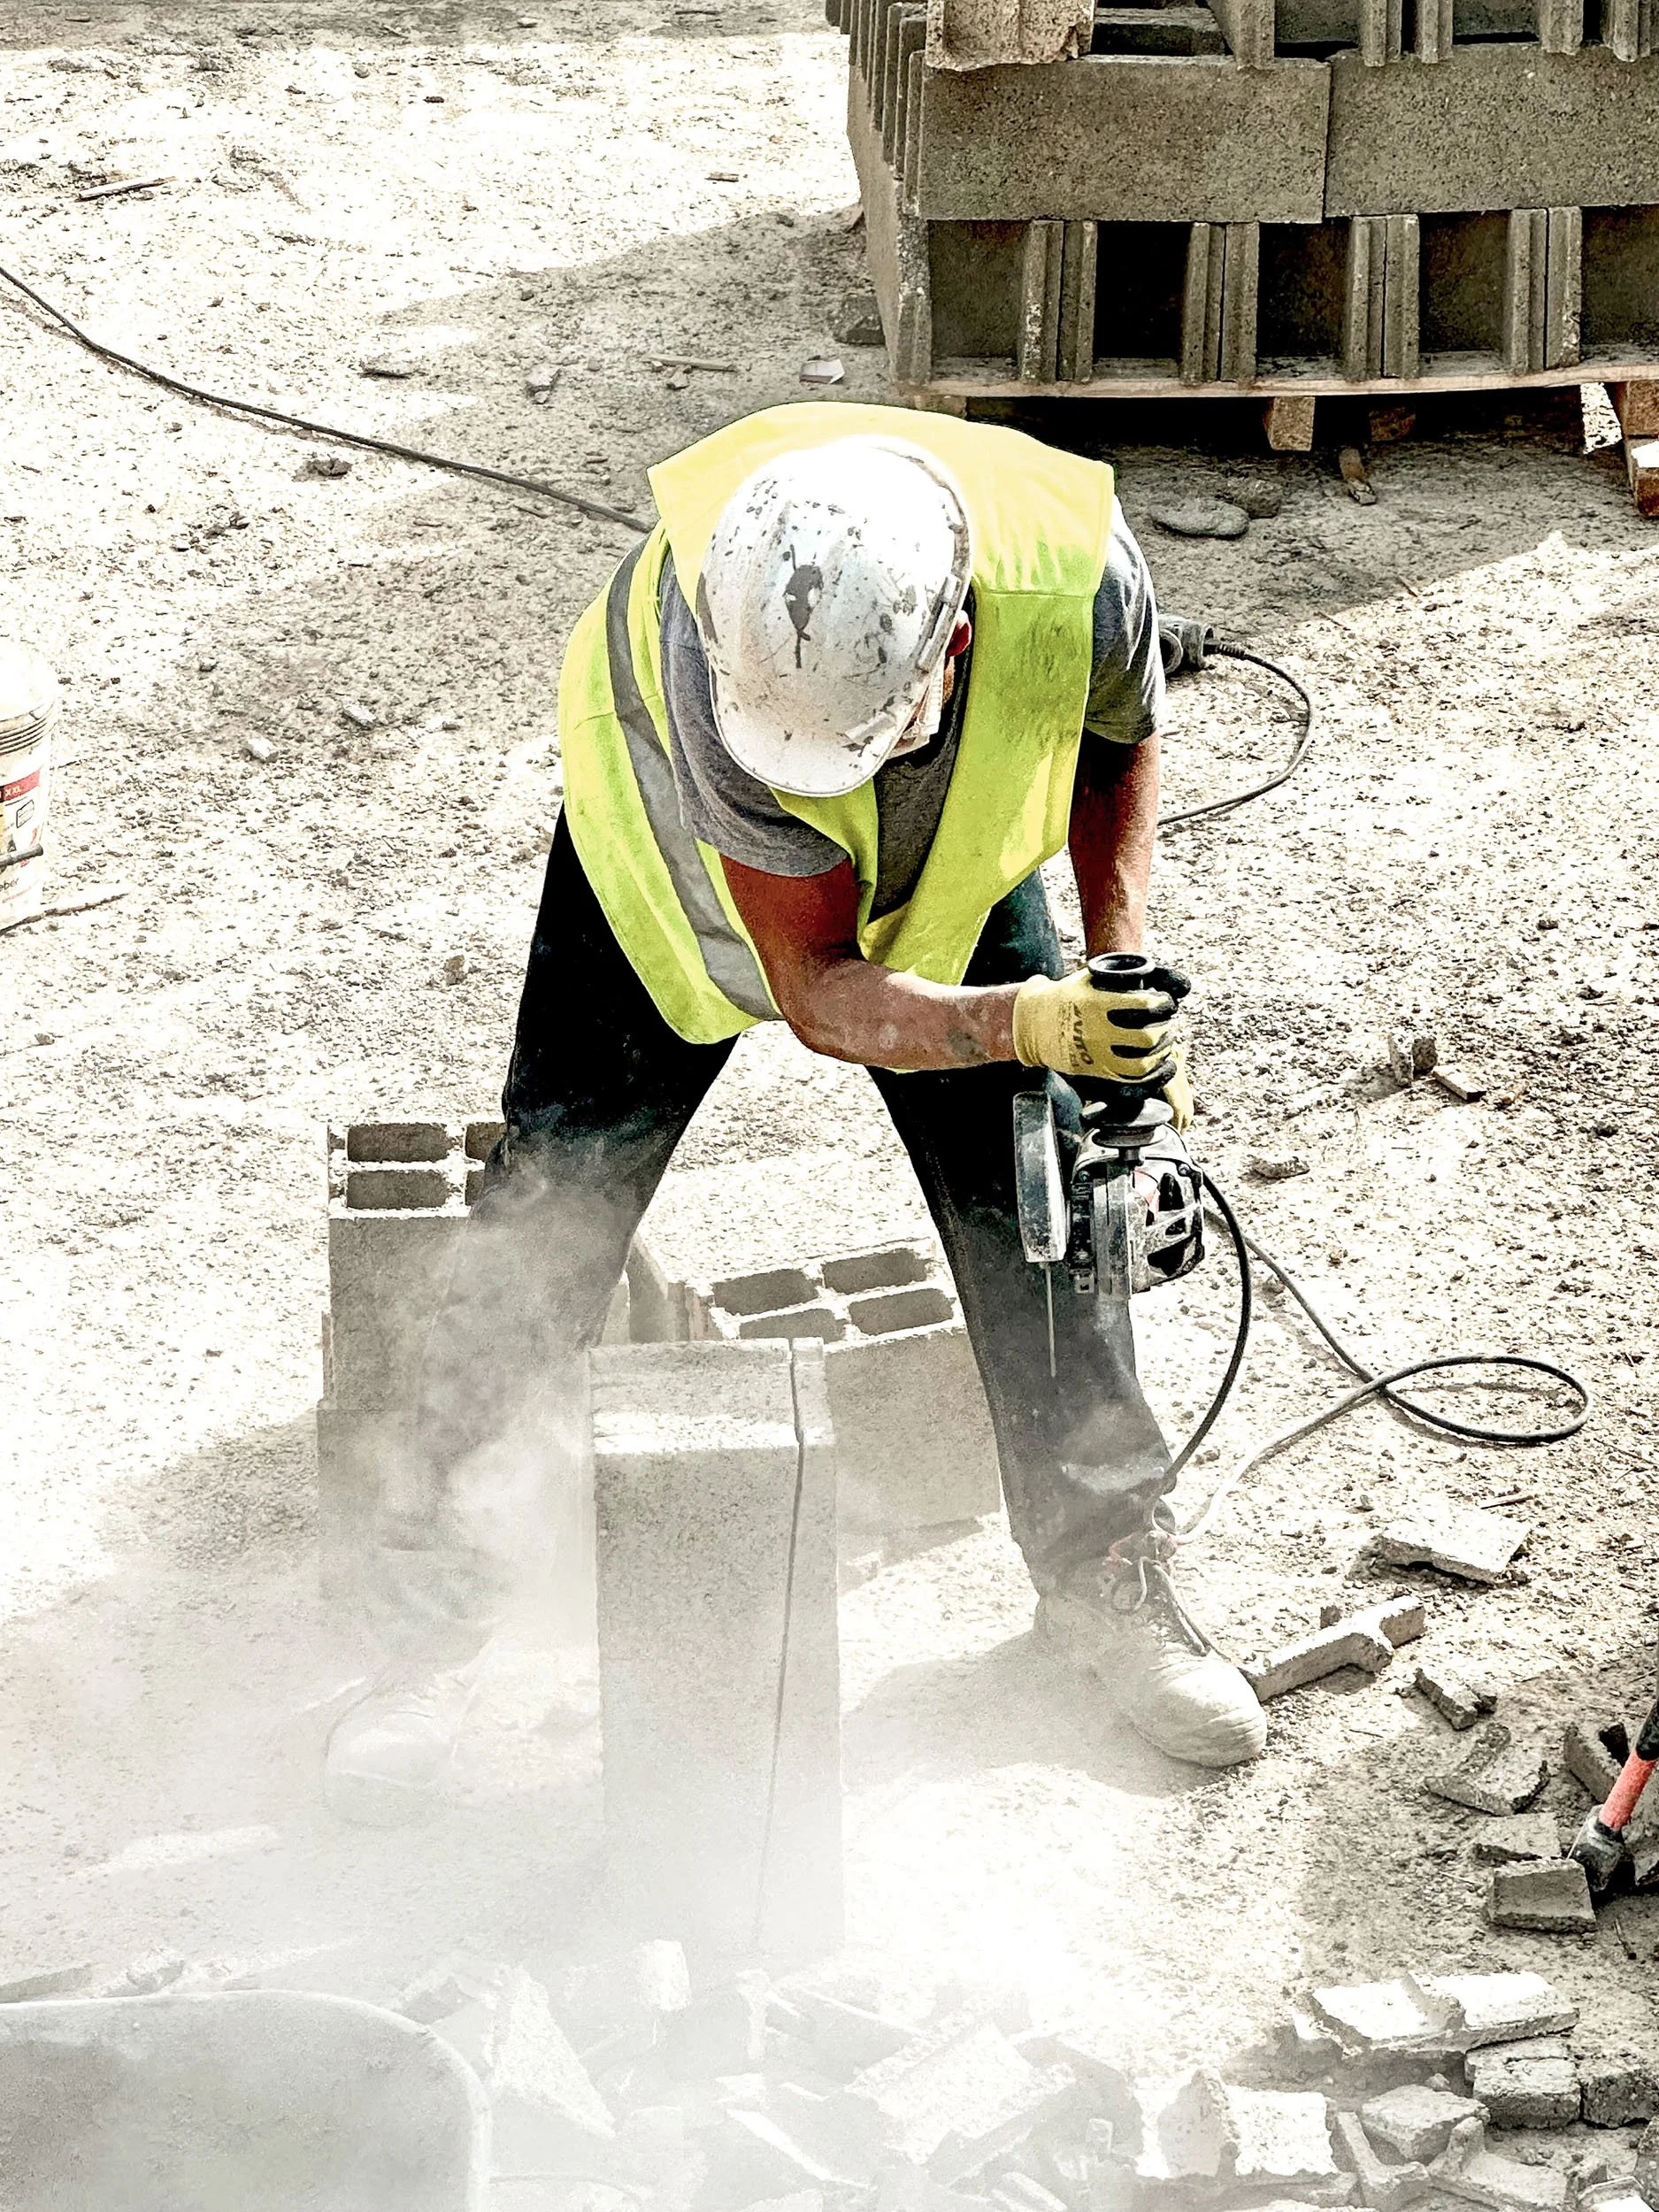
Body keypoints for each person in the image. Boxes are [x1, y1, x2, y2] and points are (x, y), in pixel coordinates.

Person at [324, 403, 1266, 1826]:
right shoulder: (723, 667)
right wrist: (1025, 1020)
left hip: (942, 867)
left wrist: (1111, 965)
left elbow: (1113, 735)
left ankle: (1104, 1580)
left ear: (951, 647)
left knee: (1043, 1191)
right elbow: (821, 990)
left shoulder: (1081, 575)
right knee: (552, 1205)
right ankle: (421, 1638)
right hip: (673, 885)